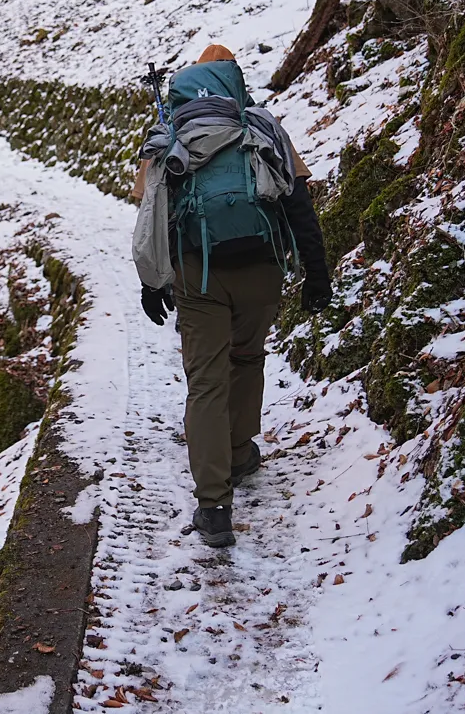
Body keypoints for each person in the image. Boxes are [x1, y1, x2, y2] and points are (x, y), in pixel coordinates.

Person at [132, 44, 332, 547]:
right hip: (262, 269)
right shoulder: (262, 127)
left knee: (205, 383)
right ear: (234, 82)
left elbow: (149, 211)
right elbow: (299, 203)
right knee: (247, 358)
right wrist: (317, 272)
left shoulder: (168, 136)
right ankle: (240, 451)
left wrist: (151, 280)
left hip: (199, 275)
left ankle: (214, 507)